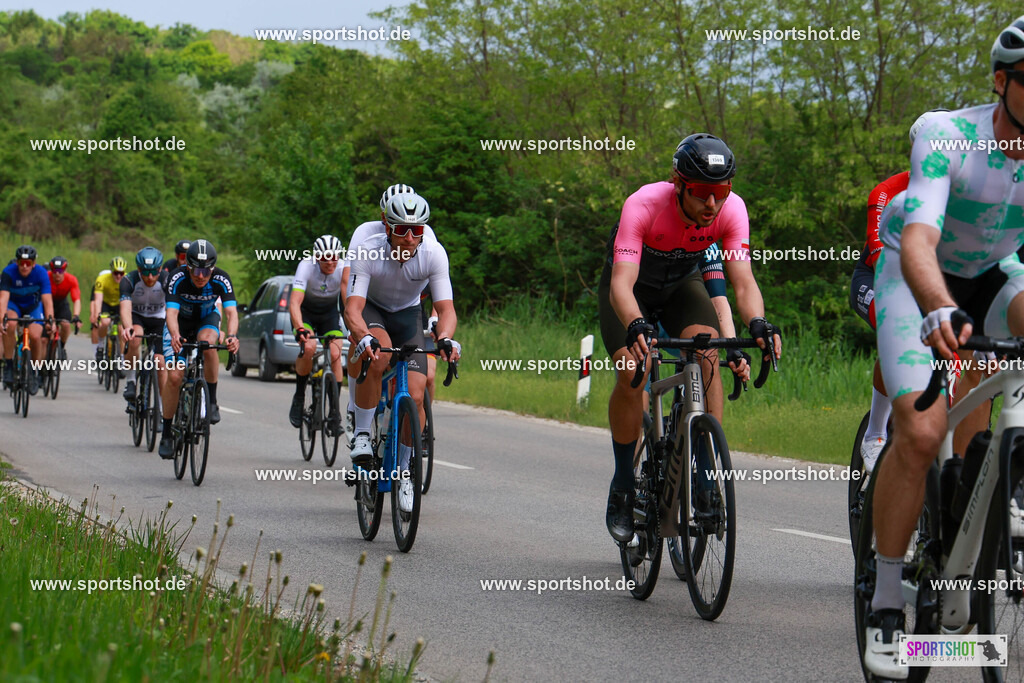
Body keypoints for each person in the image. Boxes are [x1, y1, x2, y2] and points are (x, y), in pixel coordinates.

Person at [862, 17, 1024, 679]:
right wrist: (938, 308)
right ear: (1002, 82)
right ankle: (885, 601)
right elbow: (921, 239)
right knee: (924, 431)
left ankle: (984, 490)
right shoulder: (946, 134)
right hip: (916, 271)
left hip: (997, 271)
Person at [600, 133, 781, 544]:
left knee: (708, 348)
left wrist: (758, 323)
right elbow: (621, 286)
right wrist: (635, 323)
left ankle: (703, 472)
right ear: (678, 184)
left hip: (682, 285)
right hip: (631, 291)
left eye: (721, 192)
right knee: (634, 367)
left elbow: (742, 280)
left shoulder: (732, 211)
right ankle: (624, 483)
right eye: (702, 193)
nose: (712, 204)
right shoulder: (643, 205)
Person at [344, 192, 461, 513]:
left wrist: (447, 338)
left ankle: (405, 472)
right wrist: (363, 336)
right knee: (378, 355)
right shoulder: (368, 250)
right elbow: (353, 307)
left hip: (408, 314)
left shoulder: (434, 254)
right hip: (374, 311)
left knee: (419, 392)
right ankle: (364, 433)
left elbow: (446, 309)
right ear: (386, 225)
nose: (410, 238)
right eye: (401, 230)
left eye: (417, 230)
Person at [851, 109, 948, 473]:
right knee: (897, 331)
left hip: (936, 282)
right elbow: (879, 256)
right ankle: (875, 433)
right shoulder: (887, 193)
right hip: (880, 277)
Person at [157, 239, 240, 458]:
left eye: (206, 271)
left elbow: (231, 313)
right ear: (187, 266)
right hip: (180, 325)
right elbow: (171, 314)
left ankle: (211, 401)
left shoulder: (221, 278)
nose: (201, 276)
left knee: (209, 344)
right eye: (195, 270)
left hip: (206, 320)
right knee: (174, 377)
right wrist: (175, 334)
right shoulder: (177, 278)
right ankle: (166, 432)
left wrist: (232, 336)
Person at [288, 235, 346, 431]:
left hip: (329, 314)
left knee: (336, 353)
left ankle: (335, 412)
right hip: (306, 314)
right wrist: (300, 327)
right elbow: (295, 301)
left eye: (334, 257)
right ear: (317, 257)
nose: (330, 261)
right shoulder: (306, 266)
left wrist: (354, 328)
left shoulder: (343, 268)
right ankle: (299, 396)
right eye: (324, 257)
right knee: (309, 347)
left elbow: (348, 303)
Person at [0, 245, 56, 394]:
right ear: (17, 262)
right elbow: (3, 298)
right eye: (21, 263)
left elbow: (47, 300)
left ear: (34, 263)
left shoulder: (41, 273)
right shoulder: (8, 272)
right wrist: (1, 320)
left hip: (33, 306)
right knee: (10, 324)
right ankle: (9, 366)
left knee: (36, 336)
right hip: (14, 305)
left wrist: (51, 321)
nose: (24, 267)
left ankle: (34, 372)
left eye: (28, 263)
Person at [120, 247, 169, 402]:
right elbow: (125, 308)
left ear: (160, 269)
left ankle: (162, 409)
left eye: (154, 272)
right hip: (137, 316)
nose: (149, 277)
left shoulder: (166, 279)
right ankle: (131, 381)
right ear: (138, 269)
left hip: (159, 319)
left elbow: (173, 307)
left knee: (161, 362)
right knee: (135, 337)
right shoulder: (129, 280)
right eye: (145, 272)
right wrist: (128, 327)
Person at [91, 257, 127, 361]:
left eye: (121, 273)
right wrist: (97, 315)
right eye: (116, 273)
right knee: (105, 322)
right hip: (105, 303)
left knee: (121, 329)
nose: (119, 276)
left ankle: (121, 357)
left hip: (120, 304)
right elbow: (98, 299)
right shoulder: (102, 279)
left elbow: (130, 300)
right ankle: (101, 346)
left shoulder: (127, 279)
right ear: (111, 271)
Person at [46, 256, 82, 345]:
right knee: (48, 328)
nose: (57, 274)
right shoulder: (46, 277)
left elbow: (76, 299)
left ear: (65, 271)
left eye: (60, 271)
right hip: (47, 303)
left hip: (62, 304)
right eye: (54, 271)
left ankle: (61, 346)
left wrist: (76, 316)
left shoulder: (71, 280)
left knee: (66, 325)